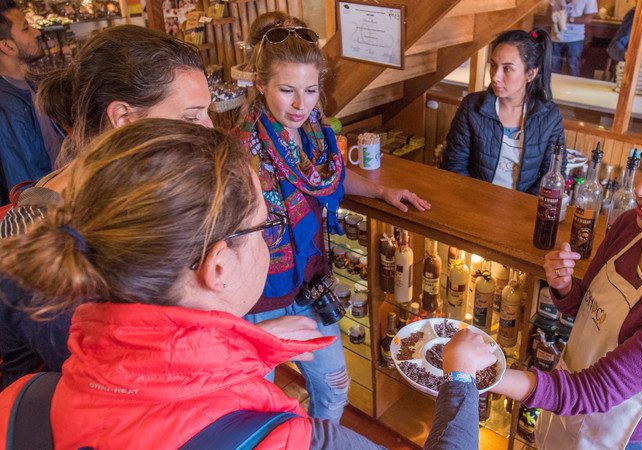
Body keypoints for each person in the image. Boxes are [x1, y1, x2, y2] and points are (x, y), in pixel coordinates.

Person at [0, 119, 495, 448]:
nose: (270, 241)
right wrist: (458, 378)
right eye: (266, 227)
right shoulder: (271, 437)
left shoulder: (23, 404)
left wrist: (248, 346)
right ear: (217, 267)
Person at [447, 102, 642, 449]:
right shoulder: (632, 225)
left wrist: (479, 374)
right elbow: (588, 309)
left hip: (620, 435)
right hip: (568, 401)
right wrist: (566, 287)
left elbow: (596, 391)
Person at [237, 12, 430, 423]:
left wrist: (381, 190)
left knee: (334, 390)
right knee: (256, 409)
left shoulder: (316, 133)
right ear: (260, 85)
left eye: (310, 90)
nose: (299, 104)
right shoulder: (241, 150)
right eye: (286, 90)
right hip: (259, 299)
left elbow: (333, 176)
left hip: (310, 286)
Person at [0, 24, 213, 388]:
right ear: (124, 118)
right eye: (191, 117)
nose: (208, 129)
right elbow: (111, 373)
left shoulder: (128, 190)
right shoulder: (33, 232)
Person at [442, 29, 566, 195]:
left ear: (531, 73)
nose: (495, 76)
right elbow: (454, 163)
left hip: (522, 210)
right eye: (493, 66)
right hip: (473, 201)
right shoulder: (471, 106)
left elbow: (554, 175)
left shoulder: (549, 116)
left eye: (507, 69)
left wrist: (520, 208)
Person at [0, 0, 63, 204]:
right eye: (26, 29)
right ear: (7, 46)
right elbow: (23, 190)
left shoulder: (31, 85)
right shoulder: (6, 107)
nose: (37, 32)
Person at [550, 0, 598, 76]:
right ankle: (551, 87)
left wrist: (568, 19)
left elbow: (588, 18)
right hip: (556, 36)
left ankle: (573, 86)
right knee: (553, 67)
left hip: (575, 38)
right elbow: (548, 9)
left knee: (573, 68)